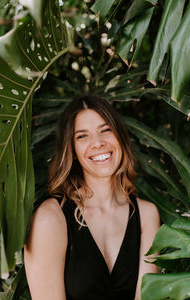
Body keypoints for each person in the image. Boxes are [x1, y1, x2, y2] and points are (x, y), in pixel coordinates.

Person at [24, 95, 160, 300]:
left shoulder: (147, 215)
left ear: (120, 138)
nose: (97, 143)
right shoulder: (51, 218)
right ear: (73, 150)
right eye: (82, 136)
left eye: (105, 130)